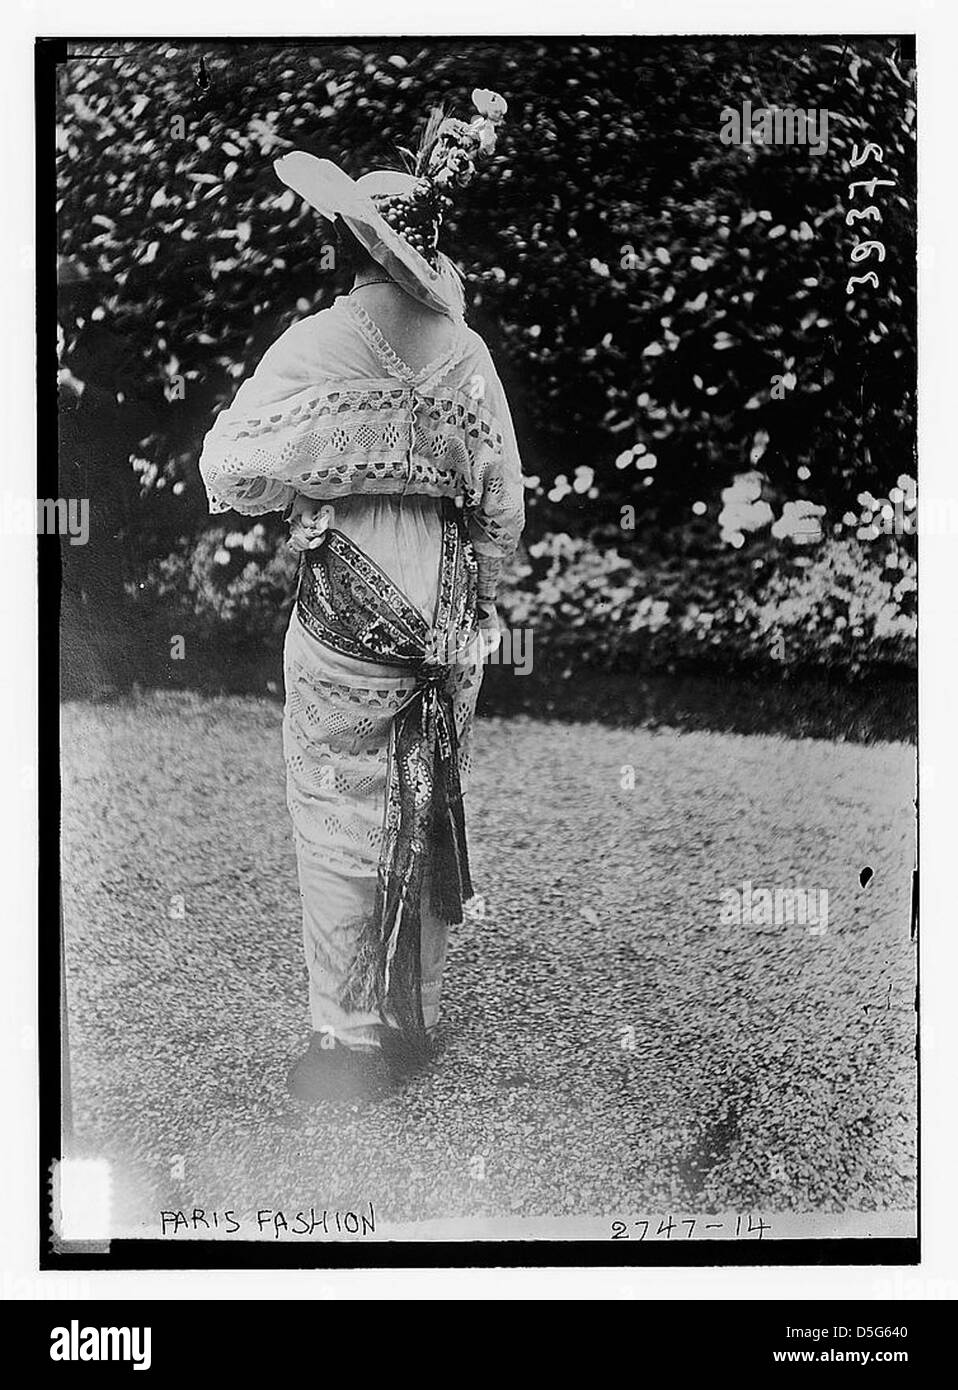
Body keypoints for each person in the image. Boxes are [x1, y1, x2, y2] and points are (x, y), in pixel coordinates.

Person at [199, 88, 524, 1103]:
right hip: (449, 613)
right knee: (424, 802)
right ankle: (412, 1016)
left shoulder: (316, 341)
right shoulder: (465, 355)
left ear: (353, 242)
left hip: (349, 608)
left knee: (336, 806)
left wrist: (319, 469)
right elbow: (502, 510)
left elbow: (231, 469)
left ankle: (345, 1038)